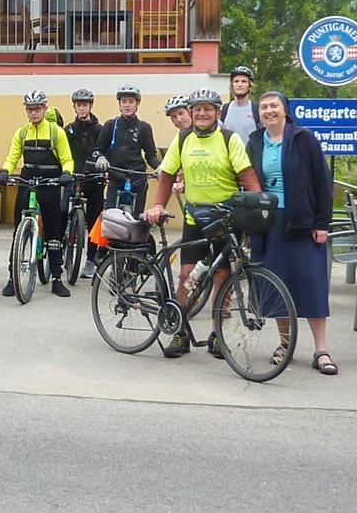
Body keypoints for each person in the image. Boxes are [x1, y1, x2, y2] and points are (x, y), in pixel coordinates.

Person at [145, 88, 261, 359]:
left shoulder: (230, 139)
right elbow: (167, 174)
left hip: (226, 218)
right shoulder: (184, 139)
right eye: (197, 109)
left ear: (218, 112)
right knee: (188, 276)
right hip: (195, 218)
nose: (202, 113)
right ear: (192, 112)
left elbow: (247, 175)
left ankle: (216, 335)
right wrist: (158, 204)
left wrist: (256, 204)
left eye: (208, 108)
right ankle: (181, 332)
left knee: (223, 278)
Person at [246, 91, 337, 374]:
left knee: (311, 285)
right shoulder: (255, 141)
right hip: (268, 222)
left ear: (285, 110)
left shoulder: (303, 138)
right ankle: (285, 344)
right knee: (277, 285)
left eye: (274, 106)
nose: (269, 111)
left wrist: (322, 223)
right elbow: (246, 179)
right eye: (264, 107)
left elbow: (322, 181)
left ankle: (321, 350)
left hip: (303, 222)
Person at [0, 90, 74, 298]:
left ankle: (56, 278)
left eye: (37, 109)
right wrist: (4, 170)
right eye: (30, 109)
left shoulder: (57, 132)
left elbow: (67, 159)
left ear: (45, 109)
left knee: (53, 230)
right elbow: (13, 156)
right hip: (27, 181)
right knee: (17, 230)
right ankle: (12, 278)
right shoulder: (22, 133)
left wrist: (66, 173)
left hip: (50, 182)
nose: (33, 113)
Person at [92, 84, 160, 216]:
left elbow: (150, 155)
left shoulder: (144, 127)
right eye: (124, 101)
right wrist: (101, 158)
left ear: (137, 104)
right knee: (110, 217)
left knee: (137, 219)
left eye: (131, 101)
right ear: (119, 104)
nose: (127, 105)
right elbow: (97, 150)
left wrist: (159, 167)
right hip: (116, 176)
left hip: (137, 177)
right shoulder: (110, 125)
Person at [64, 88, 103, 279]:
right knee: (62, 210)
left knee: (95, 219)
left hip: (94, 177)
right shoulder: (69, 130)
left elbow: (104, 150)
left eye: (85, 105)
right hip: (74, 176)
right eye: (79, 105)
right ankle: (63, 243)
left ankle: (90, 259)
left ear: (90, 106)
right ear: (74, 107)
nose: (82, 108)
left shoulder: (99, 129)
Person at [221, 65, 261, 142]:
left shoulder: (257, 109)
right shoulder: (224, 109)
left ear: (250, 86)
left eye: (244, 81)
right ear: (232, 85)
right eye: (236, 81)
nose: (240, 84)